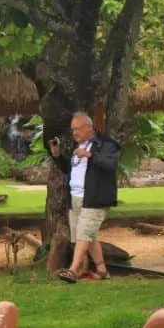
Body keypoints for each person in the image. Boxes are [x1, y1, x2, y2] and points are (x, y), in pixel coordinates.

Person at [49, 111, 120, 283]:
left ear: (88, 127)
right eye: (72, 130)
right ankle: (102, 270)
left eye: (77, 129)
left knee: (83, 234)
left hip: (94, 197)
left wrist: (90, 155)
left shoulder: (106, 144)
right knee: (89, 236)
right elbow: (69, 168)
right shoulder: (76, 146)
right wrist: (58, 155)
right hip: (76, 198)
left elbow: (110, 165)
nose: (74, 133)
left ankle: (73, 270)